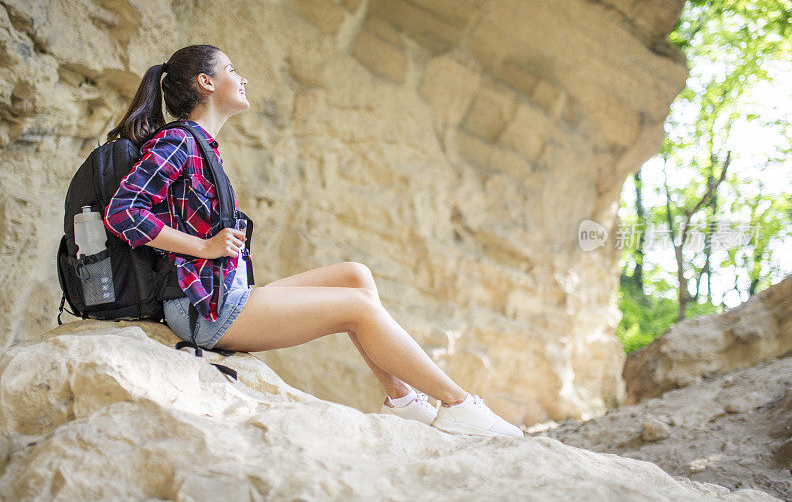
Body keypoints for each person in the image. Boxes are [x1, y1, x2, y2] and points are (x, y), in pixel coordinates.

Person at [103, 44, 523, 438]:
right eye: (232, 69)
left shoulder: (200, 145)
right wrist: (205, 247)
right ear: (206, 83)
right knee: (357, 309)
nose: (243, 78)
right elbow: (123, 212)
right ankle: (457, 404)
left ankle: (404, 400)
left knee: (354, 276)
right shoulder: (177, 140)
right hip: (206, 310)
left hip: (223, 294)